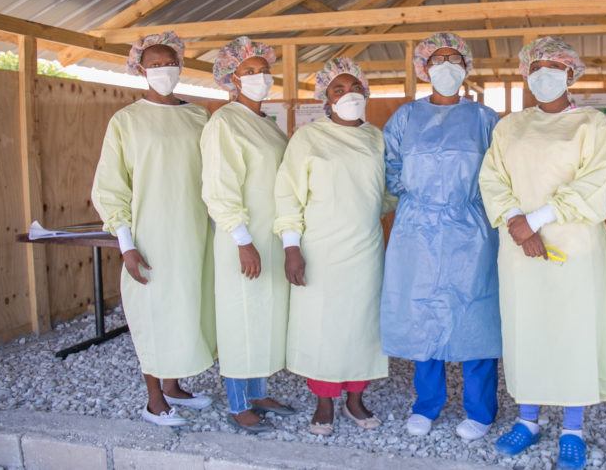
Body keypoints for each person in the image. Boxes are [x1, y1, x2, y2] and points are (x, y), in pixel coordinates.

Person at [479, 36, 606, 470]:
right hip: (519, 248)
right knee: (527, 328)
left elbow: (593, 184)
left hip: (576, 248)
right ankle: (528, 420)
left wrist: (537, 218)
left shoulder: (591, 124)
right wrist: (515, 221)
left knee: (572, 331)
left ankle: (572, 428)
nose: (544, 73)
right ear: (526, 74)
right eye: (536, 66)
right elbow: (493, 178)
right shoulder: (510, 126)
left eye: (553, 65)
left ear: (570, 73)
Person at [381, 32, 501, 441]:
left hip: (472, 227)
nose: (446, 65)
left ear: (466, 67)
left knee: (476, 316)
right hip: (417, 228)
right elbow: (390, 168)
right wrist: (421, 201)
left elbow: (499, 172)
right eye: (438, 58)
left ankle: (480, 410)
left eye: (454, 58)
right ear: (424, 68)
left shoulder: (485, 119)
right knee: (422, 313)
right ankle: (426, 405)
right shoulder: (405, 117)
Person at [91, 31, 215, 427]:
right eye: (155, 63)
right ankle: (153, 399)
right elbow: (111, 186)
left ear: (181, 65)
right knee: (153, 311)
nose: (164, 69)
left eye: (170, 62)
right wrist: (126, 243)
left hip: (194, 231)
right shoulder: (127, 121)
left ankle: (175, 386)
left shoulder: (198, 116)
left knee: (185, 307)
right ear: (140, 69)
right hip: (151, 234)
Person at [273, 58, 397, 436]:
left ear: (366, 92)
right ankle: (324, 401)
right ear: (325, 99)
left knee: (362, 323)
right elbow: (288, 194)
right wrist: (291, 245)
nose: (349, 95)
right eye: (338, 90)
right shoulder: (309, 138)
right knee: (322, 325)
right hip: (320, 248)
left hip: (365, 248)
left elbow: (388, 193)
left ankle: (355, 399)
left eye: (354, 88)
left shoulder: (377, 138)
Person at [202, 36, 292, 434]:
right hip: (244, 238)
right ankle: (238, 403)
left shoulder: (265, 123)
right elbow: (219, 188)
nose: (259, 77)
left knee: (264, 316)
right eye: (249, 71)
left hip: (269, 237)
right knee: (240, 318)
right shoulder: (225, 122)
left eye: (263, 70)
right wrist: (242, 239)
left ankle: (259, 391)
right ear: (231, 78)